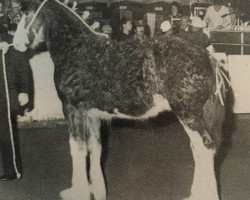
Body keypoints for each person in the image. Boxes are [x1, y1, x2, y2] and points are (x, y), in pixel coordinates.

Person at [0, 26, 33, 181]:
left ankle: (11, 170)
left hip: (5, 94)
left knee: (5, 132)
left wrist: (24, 90)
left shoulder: (10, 41)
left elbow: (22, 65)